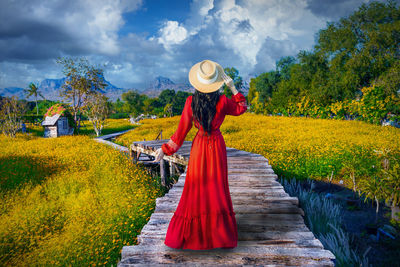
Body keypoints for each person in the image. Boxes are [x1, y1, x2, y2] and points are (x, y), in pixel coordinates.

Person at [152, 59, 247, 250]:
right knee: (217, 189)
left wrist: (164, 150)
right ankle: (219, 236)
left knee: (195, 189)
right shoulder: (223, 101)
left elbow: (180, 133)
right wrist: (233, 87)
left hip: (200, 147)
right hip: (216, 147)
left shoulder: (190, 102)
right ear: (216, 82)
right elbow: (241, 108)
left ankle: (192, 236)